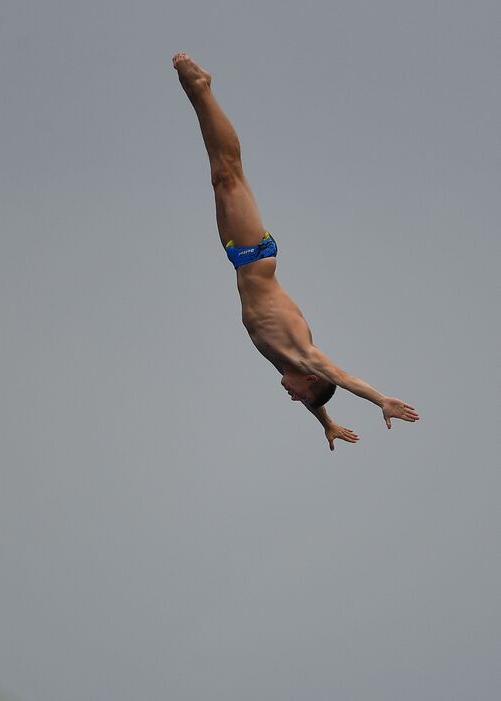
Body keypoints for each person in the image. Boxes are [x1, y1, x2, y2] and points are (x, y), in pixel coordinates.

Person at [173, 53, 419, 450]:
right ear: (312, 379)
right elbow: (344, 378)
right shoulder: (305, 357)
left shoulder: (284, 363)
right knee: (228, 170)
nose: (292, 397)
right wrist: (381, 400)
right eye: (301, 395)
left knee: (220, 178)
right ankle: (201, 89)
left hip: (240, 258)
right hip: (255, 253)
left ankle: (201, 94)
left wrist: (326, 422)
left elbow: (316, 395)